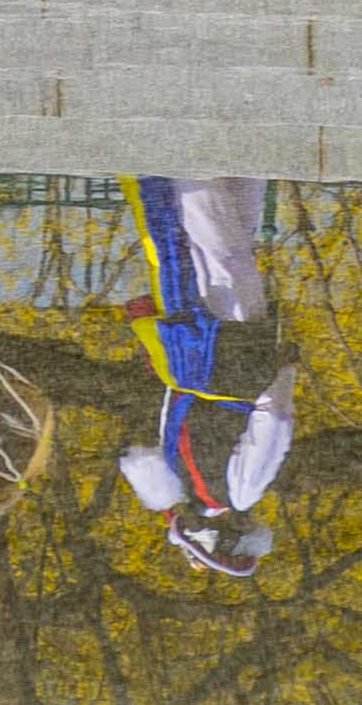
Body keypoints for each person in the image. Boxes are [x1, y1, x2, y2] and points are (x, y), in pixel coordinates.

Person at [114, 178, 295, 574]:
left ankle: (195, 151)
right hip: (186, 351)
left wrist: (284, 370)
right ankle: (232, 153)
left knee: (216, 238)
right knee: (211, 244)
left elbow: (275, 420)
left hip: (231, 361)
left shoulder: (242, 493)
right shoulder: (174, 476)